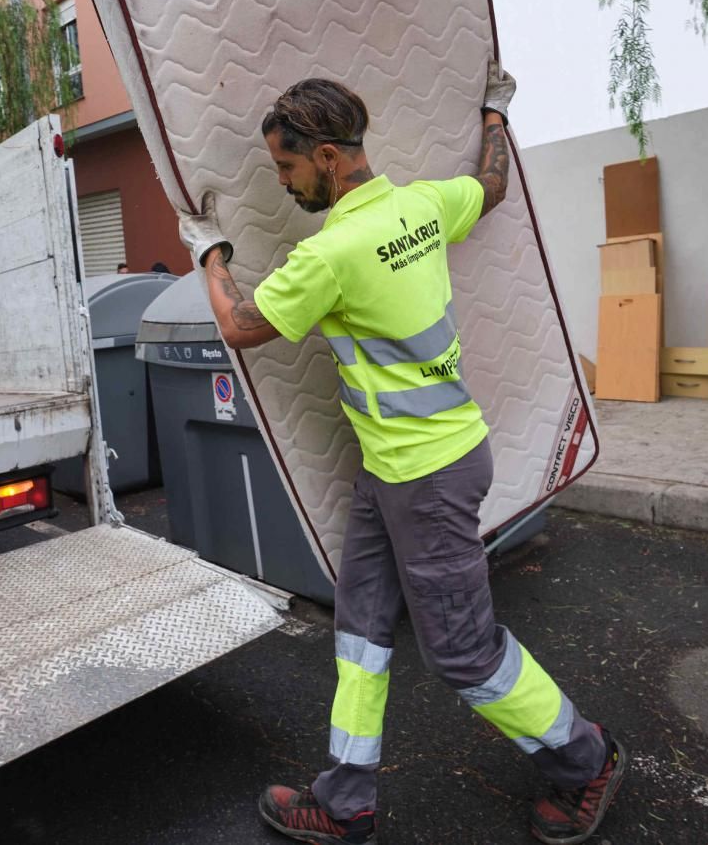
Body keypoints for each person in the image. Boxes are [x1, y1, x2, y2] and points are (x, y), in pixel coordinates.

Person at [178, 63, 625, 845]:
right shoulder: (423, 205)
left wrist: (209, 254)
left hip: (428, 475)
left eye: (286, 166)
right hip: (397, 468)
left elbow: (241, 325)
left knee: (463, 652)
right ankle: (346, 801)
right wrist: (494, 112)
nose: (283, 183)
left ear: (325, 156)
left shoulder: (333, 253)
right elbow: (490, 188)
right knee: (359, 626)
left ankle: (584, 760)